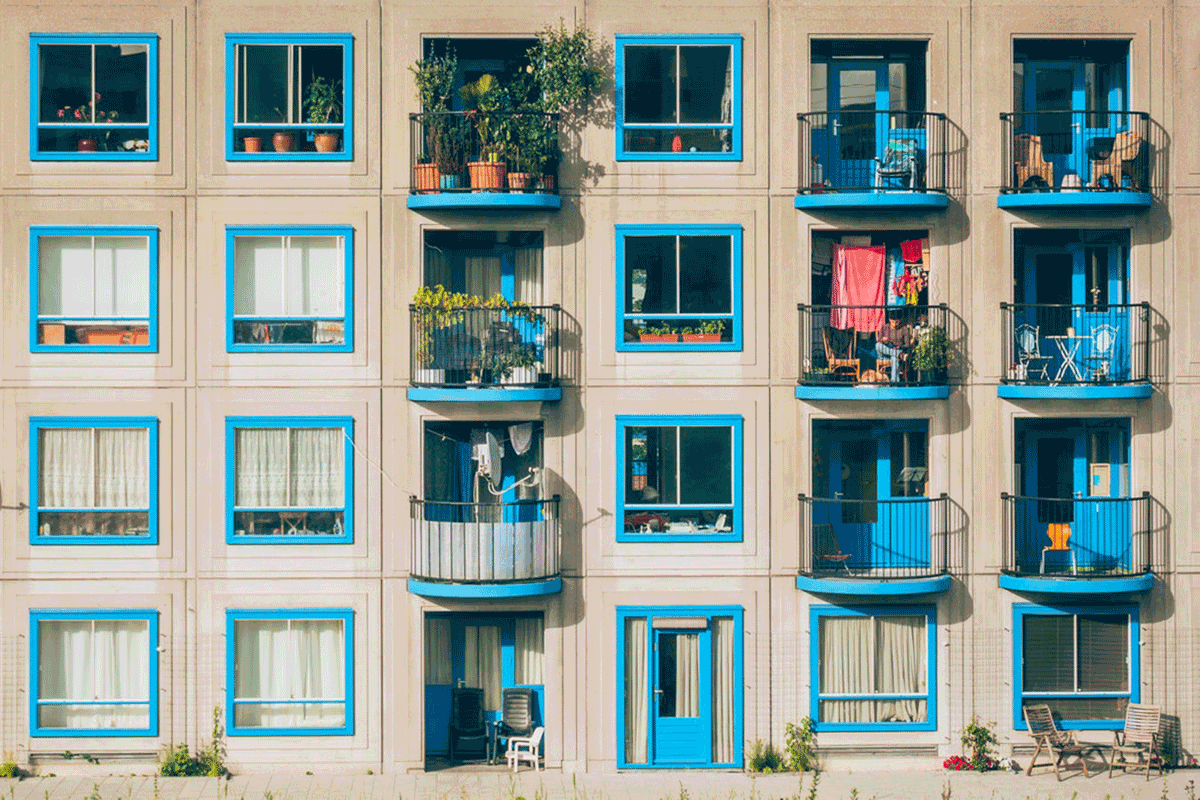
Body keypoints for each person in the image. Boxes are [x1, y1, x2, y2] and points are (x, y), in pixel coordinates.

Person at [875, 313, 914, 382]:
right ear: (890, 320)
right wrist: (882, 340)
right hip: (885, 354)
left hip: (897, 349)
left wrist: (900, 347)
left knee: (894, 357)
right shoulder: (885, 327)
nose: (895, 323)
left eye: (897, 322)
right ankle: (899, 354)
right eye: (893, 322)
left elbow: (907, 344)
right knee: (878, 345)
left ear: (900, 321)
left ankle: (894, 382)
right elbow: (878, 341)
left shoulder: (904, 329)